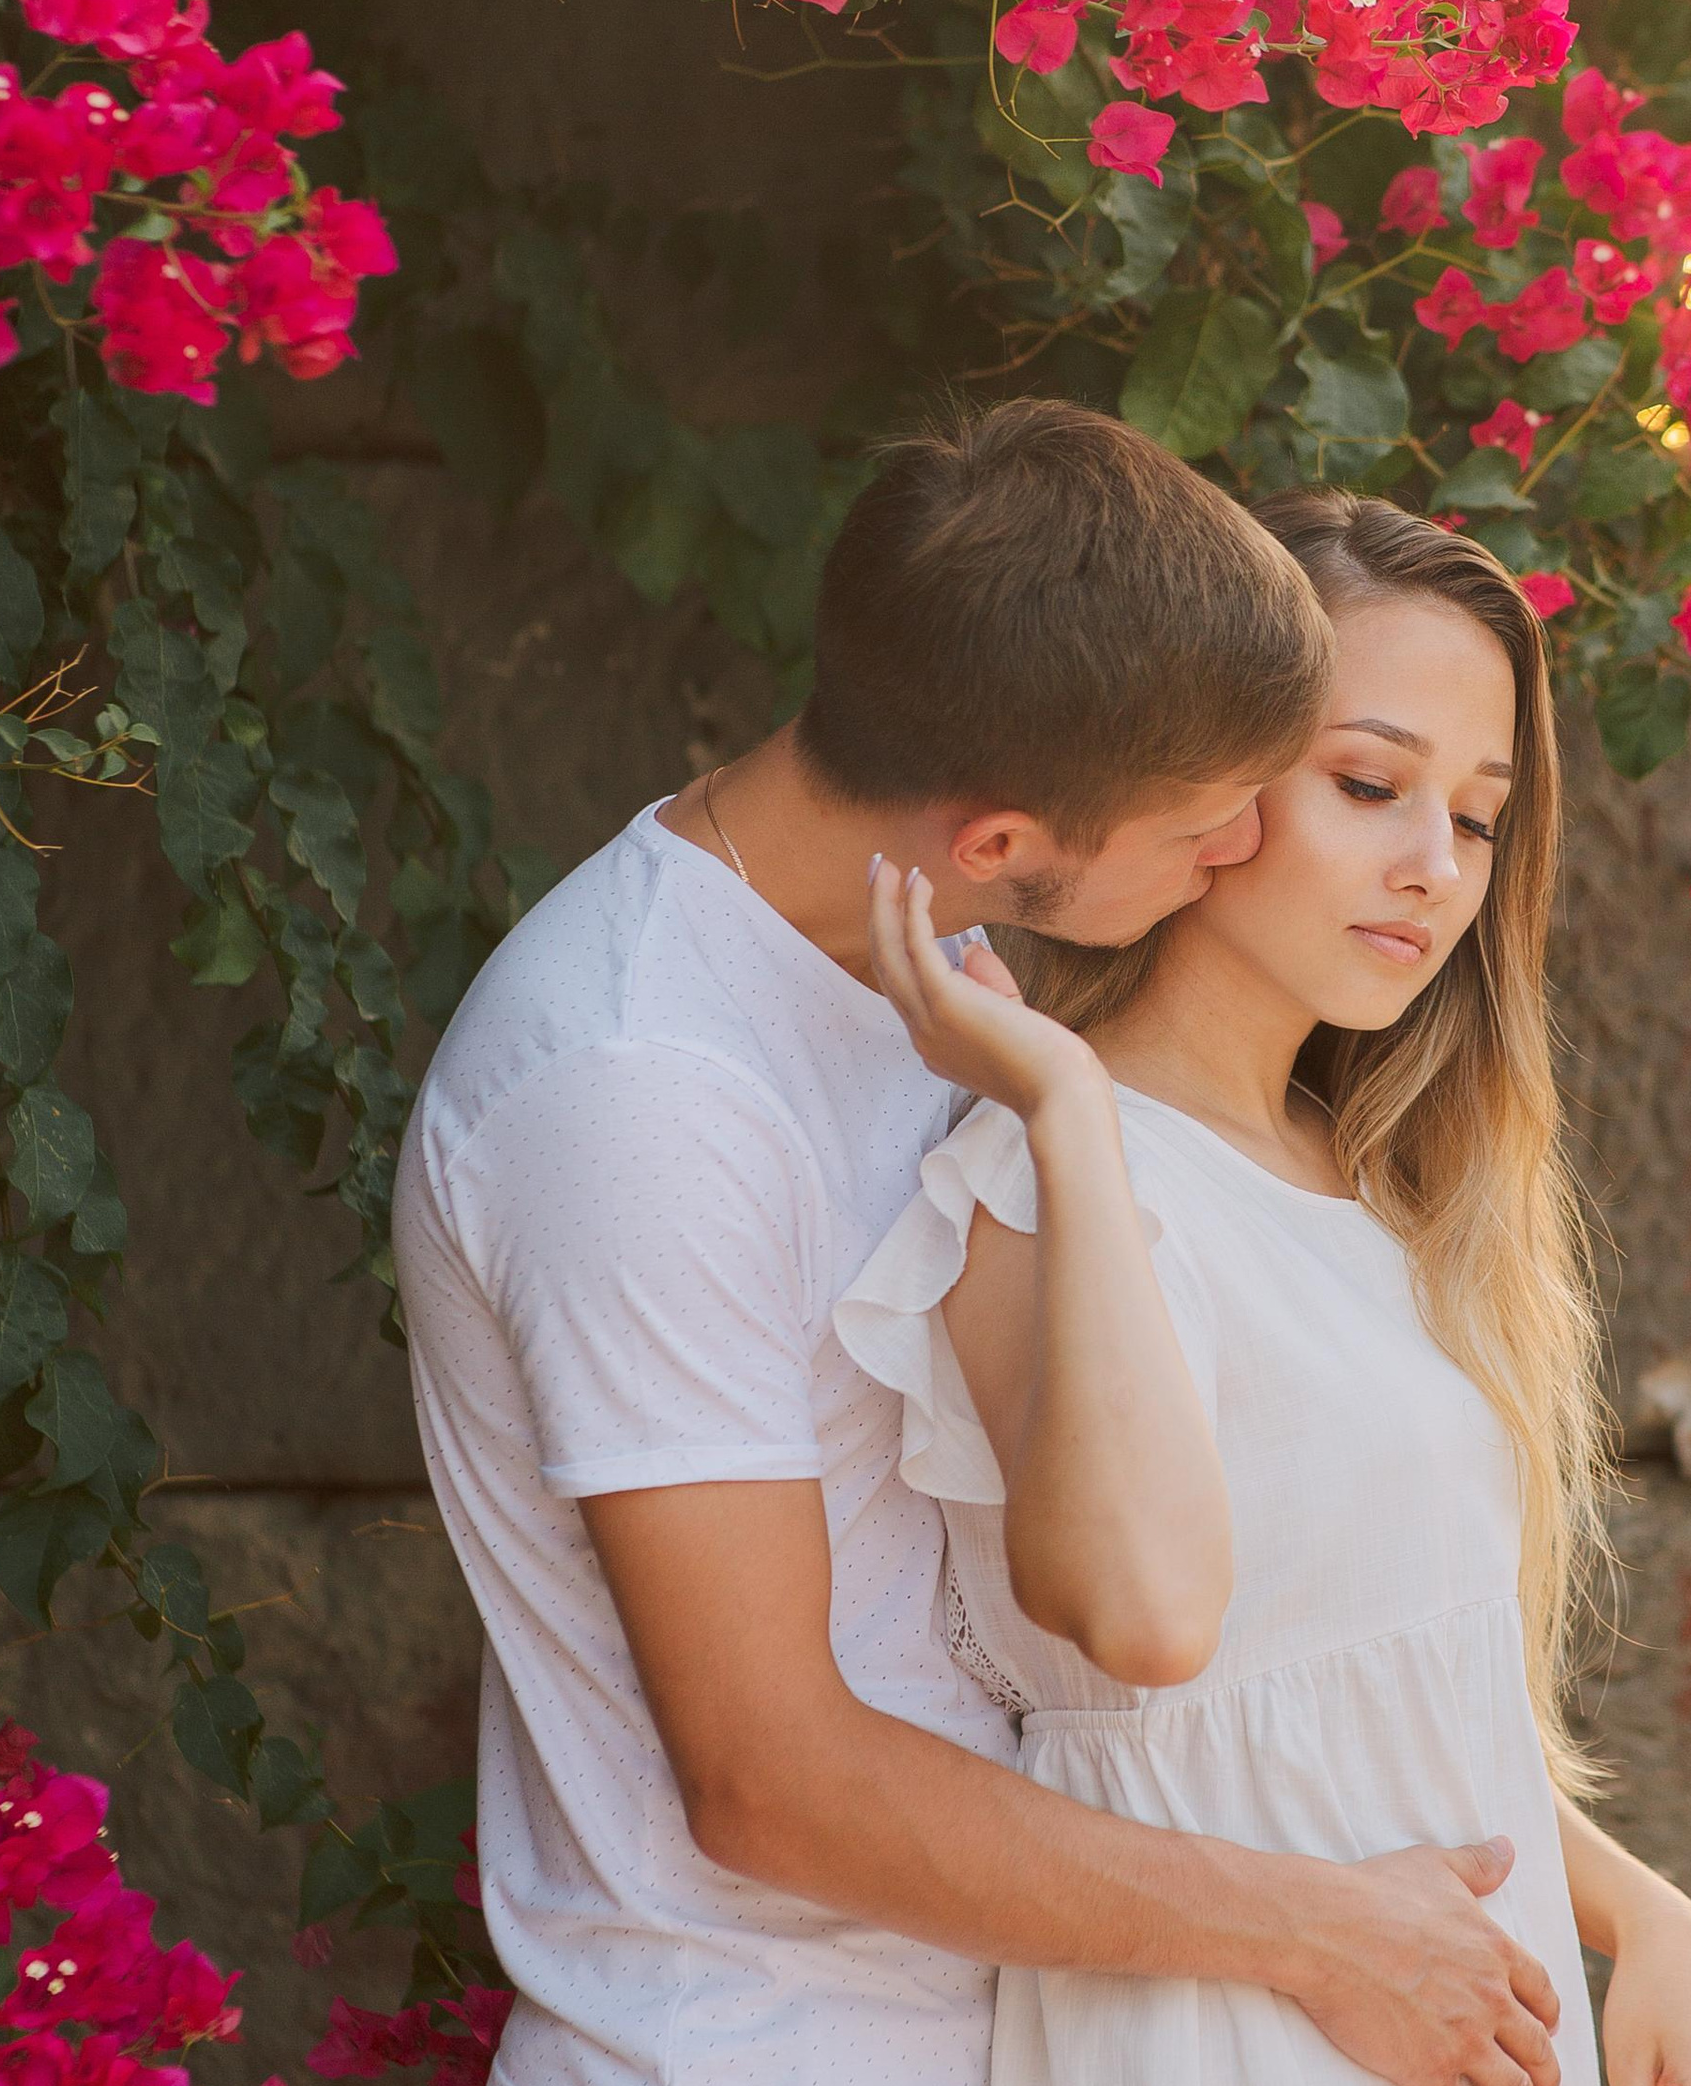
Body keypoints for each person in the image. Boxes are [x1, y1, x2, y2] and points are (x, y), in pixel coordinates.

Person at [394, 402, 1571, 2086]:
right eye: (1206, 819)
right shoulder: (637, 1092)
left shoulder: (933, 965)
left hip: (1036, 2021)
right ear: (1005, 843)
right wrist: (1330, 1935)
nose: (1239, 847)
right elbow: (768, 1780)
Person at [840, 489, 1691, 2086]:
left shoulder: (1378, 1182)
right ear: (1212, 781)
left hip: (1461, 2012)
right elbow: (1143, 1625)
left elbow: (1370, 1688)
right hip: (1225, 2028)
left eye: (1477, 817)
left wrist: (1648, 1915)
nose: (1434, 869)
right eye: (1369, 784)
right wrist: (1065, 1108)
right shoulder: (1054, 1176)